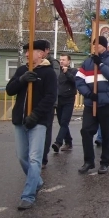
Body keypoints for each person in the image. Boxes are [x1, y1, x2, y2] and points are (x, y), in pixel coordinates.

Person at [6, 40, 57, 210]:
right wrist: (21, 79)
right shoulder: (22, 70)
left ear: (42, 53)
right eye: (26, 51)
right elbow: (10, 90)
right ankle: (38, 181)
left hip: (38, 122)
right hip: (20, 120)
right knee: (22, 156)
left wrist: (35, 114)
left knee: (34, 158)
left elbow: (50, 97)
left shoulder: (49, 73)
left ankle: (28, 195)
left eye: (31, 51)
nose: (27, 54)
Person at [75, 36, 109, 174]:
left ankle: (105, 162)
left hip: (107, 102)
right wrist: (88, 94)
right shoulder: (87, 62)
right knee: (86, 131)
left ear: (104, 46)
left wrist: (101, 65)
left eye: (97, 45)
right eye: (93, 45)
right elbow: (78, 79)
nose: (94, 47)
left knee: (107, 134)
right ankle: (88, 161)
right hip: (91, 102)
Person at [38, 40, 60, 169]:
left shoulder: (53, 63)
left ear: (47, 51)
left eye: (41, 51)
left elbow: (54, 77)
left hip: (49, 102)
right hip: (37, 101)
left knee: (46, 129)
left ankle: (43, 158)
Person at [51, 54, 77, 153]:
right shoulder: (58, 72)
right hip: (59, 99)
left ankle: (58, 142)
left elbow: (75, 81)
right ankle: (69, 141)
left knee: (65, 121)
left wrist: (67, 73)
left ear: (69, 61)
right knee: (61, 122)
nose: (61, 61)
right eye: (60, 59)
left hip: (69, 99)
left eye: (63, 60)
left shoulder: (73, 71)